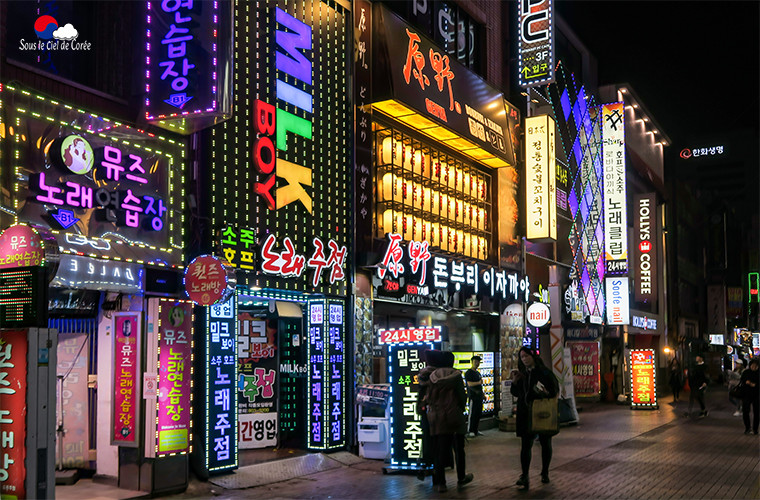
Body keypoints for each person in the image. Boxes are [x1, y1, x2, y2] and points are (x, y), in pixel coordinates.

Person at [510, 347, 559, 490]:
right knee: (525, 445)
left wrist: (545, 392)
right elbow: (516, 393)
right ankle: (524, 475)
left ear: (533, 356)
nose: (524, 359)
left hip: (541, 412)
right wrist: (514, 381)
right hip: (525, 413)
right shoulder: (522, 373)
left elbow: (554, 390)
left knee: (545, 442)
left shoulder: (544, 372)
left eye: (526, 356)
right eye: (522, 357)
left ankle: (545, 472)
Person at [425, 351, 474, 492]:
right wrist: (459, 408)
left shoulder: (432, 376)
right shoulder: (456, 376)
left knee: (441, 449)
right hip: (454, 415)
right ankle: (461, 477)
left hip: (438, 416)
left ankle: (441, 483)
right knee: (459, 448)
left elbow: (429, 397)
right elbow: (462, 396)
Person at [464, 355, 484, 437]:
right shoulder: (468, 373)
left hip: (479, 397)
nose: (477, 363)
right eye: (475, 361)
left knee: (478, 413)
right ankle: (470, 430)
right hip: (472, 396)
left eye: (478, 362)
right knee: (472, 414)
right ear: (471, 362)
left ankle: (475, 430)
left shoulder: (477, 373)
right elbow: (469, 384)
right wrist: (479, 383)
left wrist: (483, 394)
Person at [740, 358, 759, 435]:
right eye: (752, 365)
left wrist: (753, 384)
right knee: (745, 412)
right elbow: (742, 381)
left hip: (757, 395)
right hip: (746, 395)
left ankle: (755, 429)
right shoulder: (746, 372)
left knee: (757, 413)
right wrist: (746, 382)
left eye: (755, 366)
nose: (753, 367)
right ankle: (747, 428)